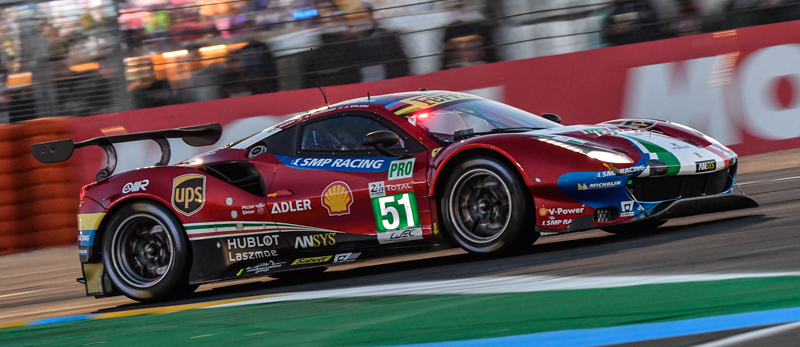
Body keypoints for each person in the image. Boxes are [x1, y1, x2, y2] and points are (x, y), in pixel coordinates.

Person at [349, 4, 410, 82]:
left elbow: (399, 64)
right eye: (354, 19)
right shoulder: (351, 41)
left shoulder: (383, 35)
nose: (357, 22)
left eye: (361, 17)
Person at [441, 1, 495, 70]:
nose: (473, 52)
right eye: (468, 49)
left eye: (476, 48)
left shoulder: (481, 28)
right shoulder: (449, 31)